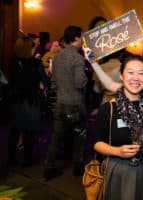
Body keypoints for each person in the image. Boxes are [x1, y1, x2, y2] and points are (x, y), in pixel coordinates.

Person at [93, 54, 143, 200]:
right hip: (118, 169)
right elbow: (97, 143)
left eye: (141, 73)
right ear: (121, 75)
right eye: (130, 72)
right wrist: (116, 151)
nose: (136, 78)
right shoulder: (109, 108)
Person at [43, 25, 88, 181]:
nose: (83, 40)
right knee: (79, 135)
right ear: (76, 38)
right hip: (74, 103)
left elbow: (53, 83)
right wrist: (87, 74)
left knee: (56, 136)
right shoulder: (77, 58)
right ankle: (78, 166)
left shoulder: (58, 56)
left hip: (60, 103)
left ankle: (49, 167)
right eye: (81, 37)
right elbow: (79, 83)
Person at [7, 35, 43, 167]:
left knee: (15, 131)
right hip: (31, 101)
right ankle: (27, 159)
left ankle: (11, 159)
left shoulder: (12, 61)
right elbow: (40, 82)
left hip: (16, 100)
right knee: (29, 132)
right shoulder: (34, 63)